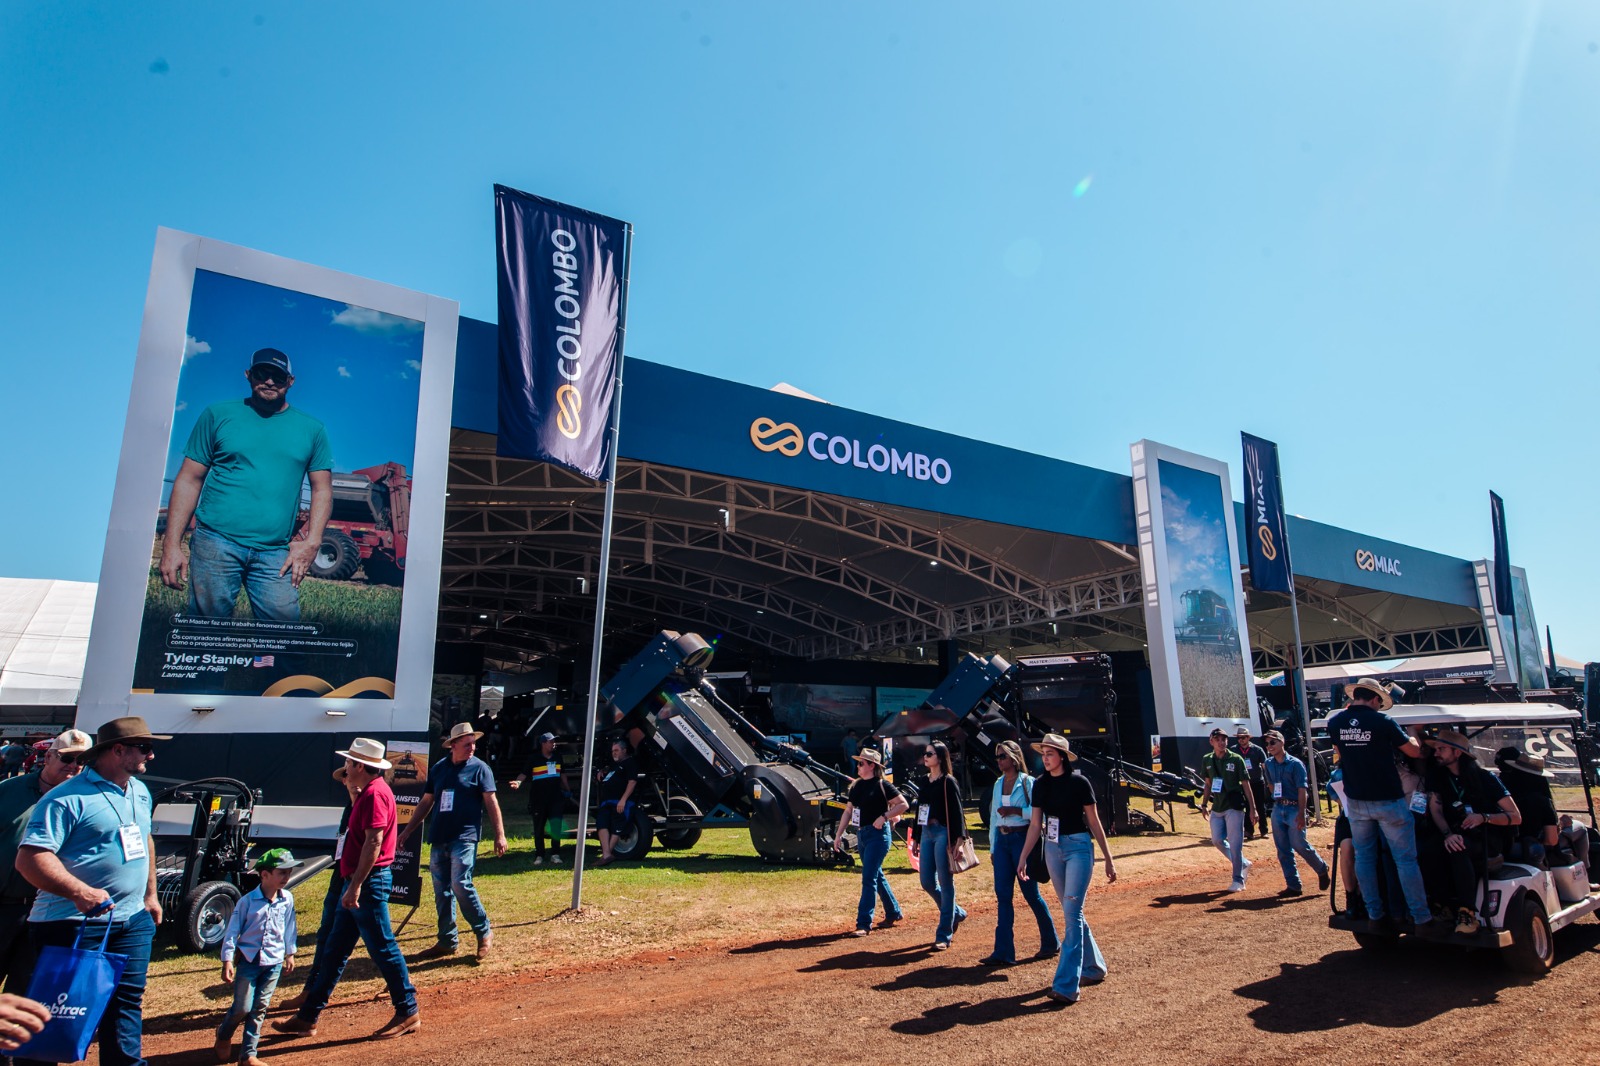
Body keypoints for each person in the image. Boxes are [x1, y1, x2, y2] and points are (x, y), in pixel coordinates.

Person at [13, 717, 170, 1066]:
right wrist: (78, 892)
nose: (152, 755)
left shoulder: (139, 790)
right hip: (70, 922)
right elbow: (30, 859)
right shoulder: (64, 799)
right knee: (54, 1011)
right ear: (117, 750)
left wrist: (150, 895)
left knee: (126, 1003)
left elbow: (143, 838)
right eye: (144, 747)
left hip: (132, 920)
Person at [159, 347, 334, 621]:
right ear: (248, 375)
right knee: (207, 632)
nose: (269, 381)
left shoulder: (312, 429)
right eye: (262, 373)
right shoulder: (217, 415)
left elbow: (322, 488)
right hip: (216, 542)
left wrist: (313, 541)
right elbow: (189, 479)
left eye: (278, 376)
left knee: (283, 636)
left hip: (276, 550)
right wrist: (172, 546)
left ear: (291, 381)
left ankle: (265, 665)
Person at [274, 739, 418, 1040]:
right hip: (360, 884)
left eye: (350, 763)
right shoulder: (369, 793)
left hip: (367, 884)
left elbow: (374, 843)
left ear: (361, 767)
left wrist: (354, 886)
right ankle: (308, 1017)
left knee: (383, 947)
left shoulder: (376, 795)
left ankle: (408, 1010)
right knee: (334, 951)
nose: (346, 768)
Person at [1325, 678, 1433, 933]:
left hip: (1357, 802)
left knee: (1364, 857)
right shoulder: (1382, 721)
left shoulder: (1335, 722)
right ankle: (1421, 917)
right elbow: (1414, 752)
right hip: (1388, 800)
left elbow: (1340, 750)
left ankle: (1375, 913)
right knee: (1405, 860)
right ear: (1374, 699)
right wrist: (1416, 733)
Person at [1017, 734, 1114, 1006]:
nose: (1045, 758)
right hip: (1052, 849)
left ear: (1062, 757)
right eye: (1043, 753)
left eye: (1050, 753)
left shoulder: (1080, 783)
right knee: (1073, 914)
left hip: (1079, 849)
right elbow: (1036, 825)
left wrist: (1108, 858)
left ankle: (1066, 985)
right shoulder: (1039, 785)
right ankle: (1094, 967)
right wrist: (1023, 856)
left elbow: (1094, 823)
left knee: (1072, 915)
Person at [399, 723, 507, 962]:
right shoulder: (438, 769)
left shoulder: (481, 769)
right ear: (453, 745)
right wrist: (407, 831)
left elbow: (491, 802)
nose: (472, 748)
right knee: (442, 891)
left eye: (474, 743)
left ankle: (483, 930)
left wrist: (500, 835)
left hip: (465, 837)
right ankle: (447, 940)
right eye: (467, 744)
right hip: (439, 837)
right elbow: (426, 802)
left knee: (460, 884)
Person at [0, 729, 90, 997]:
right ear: (48, 757)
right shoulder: (8, 791)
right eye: (67, 758)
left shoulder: (88, 799)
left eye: (82, 760)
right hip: (4, 906)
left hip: (52, 913)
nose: (74, 766)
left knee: (26, 992)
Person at [274, 767, 361, 1014]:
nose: (350, 780)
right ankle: (310, 992)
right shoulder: (349, 806)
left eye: (353, 774)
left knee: (375, 943)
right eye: (346, 777)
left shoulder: (366, 804)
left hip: (359, 883)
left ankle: (404, 999)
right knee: (326, 935)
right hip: (340, 876)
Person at [1426, 730, 1519, 935]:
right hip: (1455, 833)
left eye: (1441, 749)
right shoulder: (1437, 776)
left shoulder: (1485, 778)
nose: (1436, 754)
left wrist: (1483, 817)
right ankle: (1442, 906)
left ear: (1457, 753)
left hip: (1486, 836)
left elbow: (1515, 815)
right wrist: (1447, 834)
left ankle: (1467, 913)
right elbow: (1436, 809)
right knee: (1430, 847)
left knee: (1460, 849)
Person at [214, 848, 301, 1066]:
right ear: (264, 875)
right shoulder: (247, 901)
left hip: (273, 962)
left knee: (260, 1007)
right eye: (281, 872)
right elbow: (232, 930)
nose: (286, 877)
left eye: (288, 872)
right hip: (250, 962)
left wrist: (290, 953)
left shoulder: (287, 899)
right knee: (242, 1008)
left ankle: (248, 1055)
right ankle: (223, 1035)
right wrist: (227, 959)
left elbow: (290, 926)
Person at [980, 740, 1058, 966]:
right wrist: (993, 848)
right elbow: (994, 818)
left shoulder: (1028, 782)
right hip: (1003, 841)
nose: (999, 760)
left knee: (1031, 894)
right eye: (997, 756)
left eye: (1002, 756)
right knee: (1003, 895)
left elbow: (1038, 817)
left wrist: (1015, 810)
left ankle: (1050, 941)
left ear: (1014, 758)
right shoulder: (997, 784)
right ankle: (1003, 951)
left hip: (1023, 839)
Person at [831, 747, 908, 935]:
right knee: (875, 875)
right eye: (858, 763)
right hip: (862, 835)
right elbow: (848, 811)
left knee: (868, 878)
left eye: (861, 763)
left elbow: (903, 804)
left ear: (872, 766)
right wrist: (839, 834)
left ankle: (864, 923)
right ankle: (893, 912)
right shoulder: (856, 786)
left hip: (878, 836)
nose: (858, 766)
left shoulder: (882, 785)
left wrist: (885, 816)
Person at [909, 740, 969, 950]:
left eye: (930, 754)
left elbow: (957, 812)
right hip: (926, 833)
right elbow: (919, 811)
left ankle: (944, 933)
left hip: (943, 831)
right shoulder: (924, 781)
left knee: (945, 881)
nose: (926, 757)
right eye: (925, 753)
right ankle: (956, 912)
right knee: (926, 881)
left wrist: (958, 841)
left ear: (940, 757)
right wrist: (915, 837)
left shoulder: (948, 781)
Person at [1260, 730, 1329, 897]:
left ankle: (1321, 868)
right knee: (1283, 849)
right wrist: (1277, 799)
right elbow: (1270, 784)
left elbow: (1302, 790)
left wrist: (1301, 812)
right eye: (1267, 743)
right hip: (1278, 808)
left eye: (1272, 742)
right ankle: (1293, 885)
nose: (1269, 746)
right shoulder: (1269, 764)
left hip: (1293, 808)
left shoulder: (1295, 764)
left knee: (1299, 844)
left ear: (1282, 742)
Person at [1198, 728, 1257, 892]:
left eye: (1223, 739)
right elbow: (1208, 784)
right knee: (1216, 840)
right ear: (1211, 742)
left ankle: (1238, 880)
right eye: (1217, 739)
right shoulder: (1207, 759)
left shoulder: (1236, 759)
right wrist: (1204, 805)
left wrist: (1253, 809)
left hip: (1234, 806)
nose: (1221, 742)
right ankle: (1243, 863)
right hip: (1217, 807)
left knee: (1235, 844)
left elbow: (1246, 784)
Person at [1493, 747, 1561, 865]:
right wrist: (1562, 825)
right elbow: (1551, 840)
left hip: (1501, 846)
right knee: (1580, 829)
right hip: (1527, 849)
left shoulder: (1501, 792)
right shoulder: (1542, 801)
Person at [509, 732, 567, 866]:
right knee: (539, 828)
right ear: (543, 743)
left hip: (556, 798)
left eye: (554, 741)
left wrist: (568, 789)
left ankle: (555, 854)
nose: (553, 744)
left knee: (556, 827)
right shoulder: (533, 758)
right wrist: (517, 783)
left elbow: (562, 774)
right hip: (538, 799)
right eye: (551, 741)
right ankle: (539, 855)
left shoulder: (558, 757)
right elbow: (524, 774)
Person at [594, 738, 642, 867]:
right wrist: (601, 771)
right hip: (606, 802)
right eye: (612, 751)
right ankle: (607, 854)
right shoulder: (614, 765)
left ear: (624, 750)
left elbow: (632, 782)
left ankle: (606, 855)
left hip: (620, 802)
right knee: (601, 824)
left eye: (616, 750)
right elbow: (607, 771)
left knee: (617, 826)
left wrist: (623, 800)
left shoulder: (630, 763)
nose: (614, 753)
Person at [1235, 726, 1270, 839]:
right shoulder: (1234, 750)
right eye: (1239, 738)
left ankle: (1263, 830)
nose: (1241, 740)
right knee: (1247, 806)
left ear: (1248, 738)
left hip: (1257, 782)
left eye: (1244, 737)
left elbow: (1265, 766)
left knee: (1260, 806)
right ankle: (1249, 831)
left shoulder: (1257, 750)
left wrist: (1269, 781)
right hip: (1243, 783)